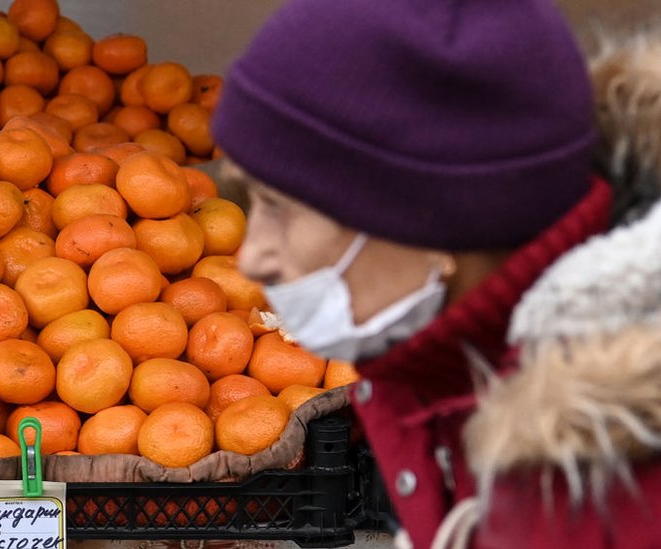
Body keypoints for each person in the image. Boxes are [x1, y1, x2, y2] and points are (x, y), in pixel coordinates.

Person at [210, 0, 661, 546]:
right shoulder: (442, 383)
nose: (252, 257)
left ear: (435, 218)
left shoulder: (625, 496)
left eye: (276, 203)